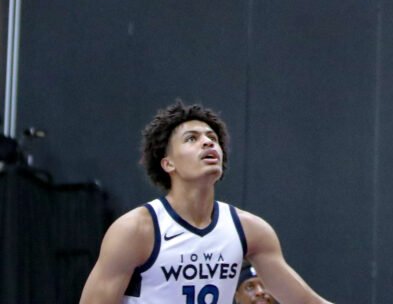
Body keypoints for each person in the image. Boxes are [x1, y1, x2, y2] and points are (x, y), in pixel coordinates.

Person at [80, 101, 332, 304]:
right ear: (168, 163)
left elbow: (303, 301)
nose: (208, 142)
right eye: (192, 138)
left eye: (212, 137)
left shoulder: (250, 230)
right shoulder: (136, 230)